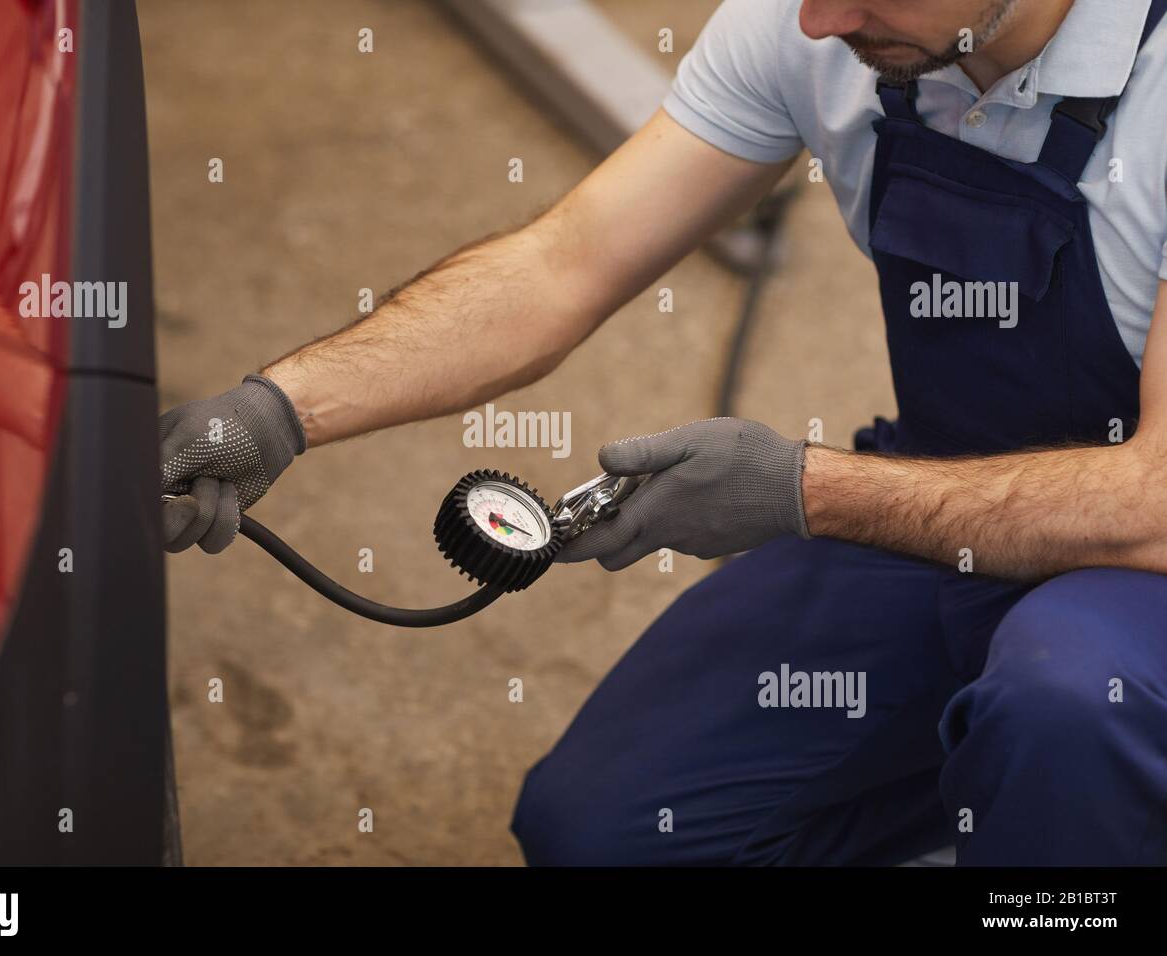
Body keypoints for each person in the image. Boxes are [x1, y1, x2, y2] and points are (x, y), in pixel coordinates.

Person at [159, 0, 1167, 865]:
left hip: (1140, 568)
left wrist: (801, 490)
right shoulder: (829, 28)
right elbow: (561, 265)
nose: (818, 21)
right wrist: (277, 411)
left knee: (1068, 703)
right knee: (608, 831)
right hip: (948, 512)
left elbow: (1150, 504)